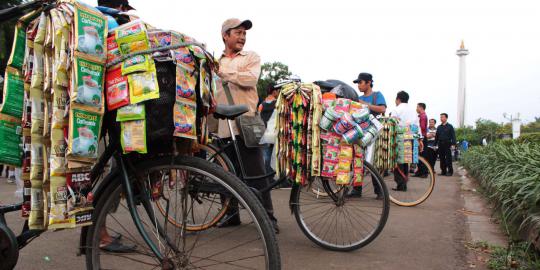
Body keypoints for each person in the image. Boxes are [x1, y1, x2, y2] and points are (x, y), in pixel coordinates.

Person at [216, 18, 278, 232]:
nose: (242, 37)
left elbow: (251, 79)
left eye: (244, 33)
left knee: (256, 172)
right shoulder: (216, 61)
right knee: (227, 173)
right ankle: (231, 215)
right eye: (238, 32)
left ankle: (268, 218)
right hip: (224, 127)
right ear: (225, 35)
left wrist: (225, 74)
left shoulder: (251, 57)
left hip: (246, 123)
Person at [349, 72, 386, 198]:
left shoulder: (377, 95)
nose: (358, 85)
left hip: (374, 132)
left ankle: (379, 191)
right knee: (358, 160)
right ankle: (356, 189)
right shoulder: (358, 98)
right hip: (360, 132)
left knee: (372, 162)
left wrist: (364, 105)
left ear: (368, 82)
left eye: (360, 82)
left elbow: (382, 109)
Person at [389, 91, 423, 191]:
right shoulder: (413, 111)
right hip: (411, 137)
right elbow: (417, 126)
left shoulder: (396, 109)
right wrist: (420, 139)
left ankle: (401, 184)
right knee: (406, 161)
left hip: (399, 137)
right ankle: (404, 183)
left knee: (398, 162)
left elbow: (392, 125)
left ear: (398, 99)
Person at [258, 85, 278, 173]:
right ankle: (272, 177)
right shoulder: (277, 103)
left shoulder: (261, 105)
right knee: (274, 156)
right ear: (274, 92)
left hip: (264, 133)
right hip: (274, 133)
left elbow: (258, 118)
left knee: (265, 156)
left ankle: (265, 177)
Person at [414, 103, 429, 177]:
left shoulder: (423, 116)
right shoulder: (420, 116)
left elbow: (422, 127)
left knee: (423, 155)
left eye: (417, 107)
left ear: (421, 107)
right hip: (420, 137)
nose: (416, 108)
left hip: (422, 138)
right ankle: (419, 172)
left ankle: (424, 173)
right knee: (418, 155)